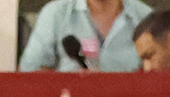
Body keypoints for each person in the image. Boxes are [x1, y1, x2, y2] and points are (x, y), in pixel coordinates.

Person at [18, 0, 153, 72]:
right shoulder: (55, 13)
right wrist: (74, 83)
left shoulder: (146, 17)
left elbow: (159, 73)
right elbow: (30, 73)